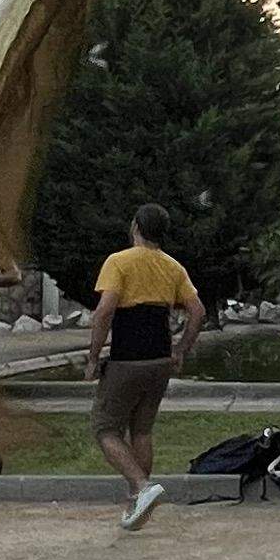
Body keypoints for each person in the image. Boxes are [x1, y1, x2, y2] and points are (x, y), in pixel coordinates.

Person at [88, 207, 202, 530]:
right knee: (142, 429)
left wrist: (94, 357)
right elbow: (197, 311)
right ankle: (138, 503)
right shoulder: (173, 266)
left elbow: (104, 311)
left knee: (104, 427)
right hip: (160, 359)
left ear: (135, 226)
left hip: (128, 358)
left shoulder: (118, 262)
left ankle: (141, 485)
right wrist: (181, 349)